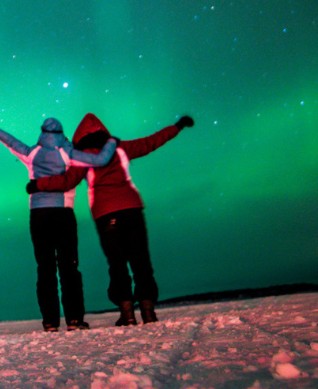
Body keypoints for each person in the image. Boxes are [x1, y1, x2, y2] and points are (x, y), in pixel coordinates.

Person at [29, 113, 194, 326]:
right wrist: (177, 126)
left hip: (105, 212)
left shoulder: (82, 157)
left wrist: (39, 185)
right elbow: (152, 142)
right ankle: (148, 311)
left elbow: (66, 181)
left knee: (117, 262)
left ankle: (127, 314)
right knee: (140, 259)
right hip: (132, 208)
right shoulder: (120, 148)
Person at [0, 114, 118, 332]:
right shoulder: (68, 153)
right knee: (69, 267)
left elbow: (11, 141)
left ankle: (50, 322)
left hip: (38, 215)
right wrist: (111, 142)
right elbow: (101, 160)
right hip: (63, 213)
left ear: (42, 132)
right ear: (61, 133)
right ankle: (74, 320)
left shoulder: (32, 153)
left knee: (45, 268)